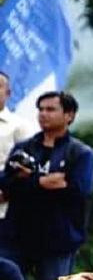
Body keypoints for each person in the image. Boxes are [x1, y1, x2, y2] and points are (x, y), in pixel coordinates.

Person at [0, 91, 93, 280]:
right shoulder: (24, 148)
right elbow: (6, 184)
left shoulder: (80, 153)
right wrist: (41, 181)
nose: (43, 114)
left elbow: (78, 191)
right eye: (40, 109)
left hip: (58, 241)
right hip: (17, 237)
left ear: (69, 115)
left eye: (50, 109)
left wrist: (27, 181)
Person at [0, 71, 39, 220]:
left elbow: (29, 167)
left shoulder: (19, 126)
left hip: (5, 210)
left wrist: (9, 192)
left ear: (8, 93)